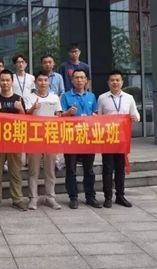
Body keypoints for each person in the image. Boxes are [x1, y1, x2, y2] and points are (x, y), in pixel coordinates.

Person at [98, 70, 140, 208]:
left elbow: (136, 115)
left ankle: (120, 196)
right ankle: (108, 196)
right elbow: (99, 117)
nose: (115, 82)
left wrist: (135, 117)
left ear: (122, 82)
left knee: (120, 168)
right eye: (112, 80)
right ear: (108, 82)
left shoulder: (129, 98)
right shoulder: (102, 98)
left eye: (117, 80)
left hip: (122, 139)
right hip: (108, 139)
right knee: (107, 168)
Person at [60, 69, 102, 209]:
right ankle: (73, 197)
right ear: (72, 80)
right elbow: (60, 116)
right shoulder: (66, 96)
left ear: (86, 81)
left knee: (89, 169)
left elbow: (95, 113)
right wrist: (68, 113)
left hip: (88, 138)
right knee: (71, 170)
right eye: (76, 78)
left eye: (82, 78)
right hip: (71, 138)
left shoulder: (91, 96)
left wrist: (95, 117)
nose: (79, 80)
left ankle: (90, 197)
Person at [0, 69, 27, 212]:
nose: (5, 83)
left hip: (14, 139)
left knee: (15, 171)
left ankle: (17, 199)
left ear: (12, 81)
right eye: (2, 80)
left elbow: (25, 120)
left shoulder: (19, 99)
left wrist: (21, 109)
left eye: (7, 80)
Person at [24, 71, 63, 210]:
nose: (43, 83)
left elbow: (58, 115)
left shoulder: (54, 97)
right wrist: (33, 108)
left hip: (50, 136)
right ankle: (33, 198)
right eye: (40, 80)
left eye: (45, 80)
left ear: (49, 82)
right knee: (33, 170)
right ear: (35, 82)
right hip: (34, 136)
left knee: (50, 170)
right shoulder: (29, 97)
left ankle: (50, 197)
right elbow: (25, 115)